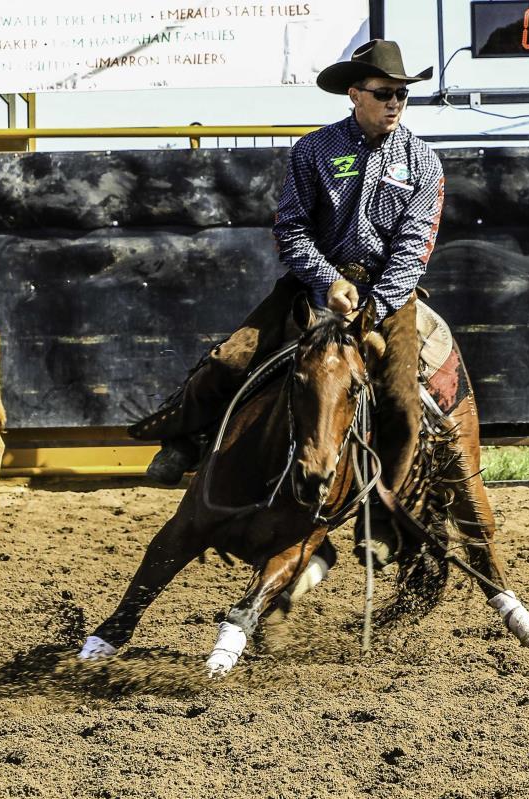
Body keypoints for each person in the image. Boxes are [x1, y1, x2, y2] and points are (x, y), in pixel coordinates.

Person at [128, 39, 444, 568]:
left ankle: (381, 518)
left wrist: (374, 304)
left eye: (401, 95)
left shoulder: (423, 162)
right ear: (355, 94)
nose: (394, 103)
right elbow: (292, 229)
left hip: (388, 297)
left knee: (401, 401)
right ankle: (185, 438)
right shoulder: (314, 150)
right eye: (383, 93)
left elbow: (415, 247)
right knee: (231, 358)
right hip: (311, 286)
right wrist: (327, 281)